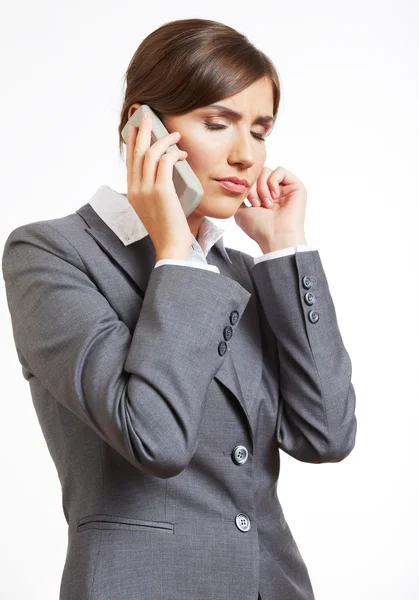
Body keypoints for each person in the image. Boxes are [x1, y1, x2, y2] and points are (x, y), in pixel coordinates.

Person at [2, 17, 357, 600]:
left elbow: (326, 434)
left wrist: (283, 248)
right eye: (217, 123)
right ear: (140, 129)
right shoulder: (51, 254)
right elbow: (154, 439)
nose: (246, 155)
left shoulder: (243, 273)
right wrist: (173, 248)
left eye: (261, 130)